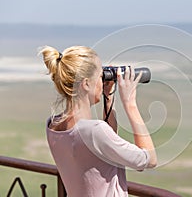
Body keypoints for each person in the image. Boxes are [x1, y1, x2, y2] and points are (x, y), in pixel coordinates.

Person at [39, 45, 157, 197]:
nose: (103, 81)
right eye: (101, 77)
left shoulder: (53, 126)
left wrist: (108, 99)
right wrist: (130, 104)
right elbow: (149, 159)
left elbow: (104, 150)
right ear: (86, 84)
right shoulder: (95, 131)